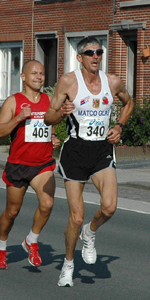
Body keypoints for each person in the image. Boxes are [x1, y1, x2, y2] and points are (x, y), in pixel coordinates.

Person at [44, 36, 134, 287]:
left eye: (99, 52)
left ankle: (90, 231)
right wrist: (61, 113)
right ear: (80, 57)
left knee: (109, 207)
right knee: (75, 217)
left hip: (102, 150)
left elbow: (129, 103)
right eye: (90, 52)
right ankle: (69, 264)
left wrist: (119, 126)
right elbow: (48, 118)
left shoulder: (112, 81)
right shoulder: (68, 81)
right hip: (75, 152)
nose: (96, 56)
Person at [0, 60, 60, 270]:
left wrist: (53, 139)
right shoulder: (13, 102)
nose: (39, 77)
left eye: (41, 73)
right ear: (23, 77)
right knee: (12, 212)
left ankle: (32, 240)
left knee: (47, 204)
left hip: (42, 164)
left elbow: (48, 127)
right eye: (34, 73)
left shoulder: (49, 100)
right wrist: (19, 118)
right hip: (18, 164)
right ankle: (1, 246)